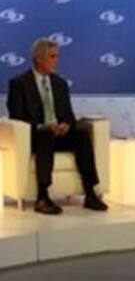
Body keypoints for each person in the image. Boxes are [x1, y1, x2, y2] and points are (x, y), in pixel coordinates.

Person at [6, 38, 107, 215]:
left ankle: (90, 193)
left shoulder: (60, 83)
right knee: (46, 135)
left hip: (58, 134)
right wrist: (42, 126)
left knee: (82, 135)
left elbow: (68, 113)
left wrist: (66, 124)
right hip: (34, 136)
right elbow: (17, 116)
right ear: (39, 59)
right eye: (52, 57)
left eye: (57, 56)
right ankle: (42, 197)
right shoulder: (19, 84)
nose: (57, 61)